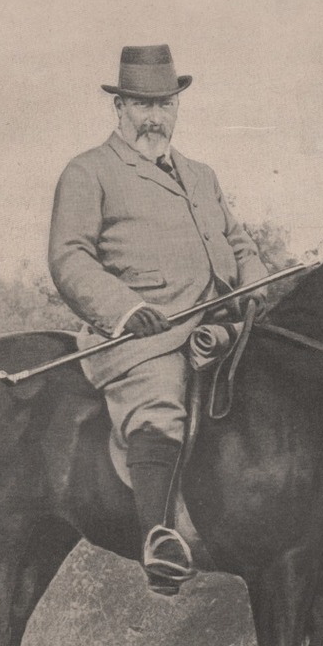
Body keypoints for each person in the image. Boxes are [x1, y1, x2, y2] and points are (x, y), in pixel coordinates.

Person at [48, 44, 269, 593]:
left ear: (176, 107)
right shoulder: (89, 171)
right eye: (142, 104)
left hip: (215, 326)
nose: (155, 117)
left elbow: (240, 246)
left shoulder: (201, 174)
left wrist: (255, 288)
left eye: (165, 103)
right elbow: (69, 258)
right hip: (140, 338)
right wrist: (126, 310)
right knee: (161, 400)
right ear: (119, 107)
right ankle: (158, 541)